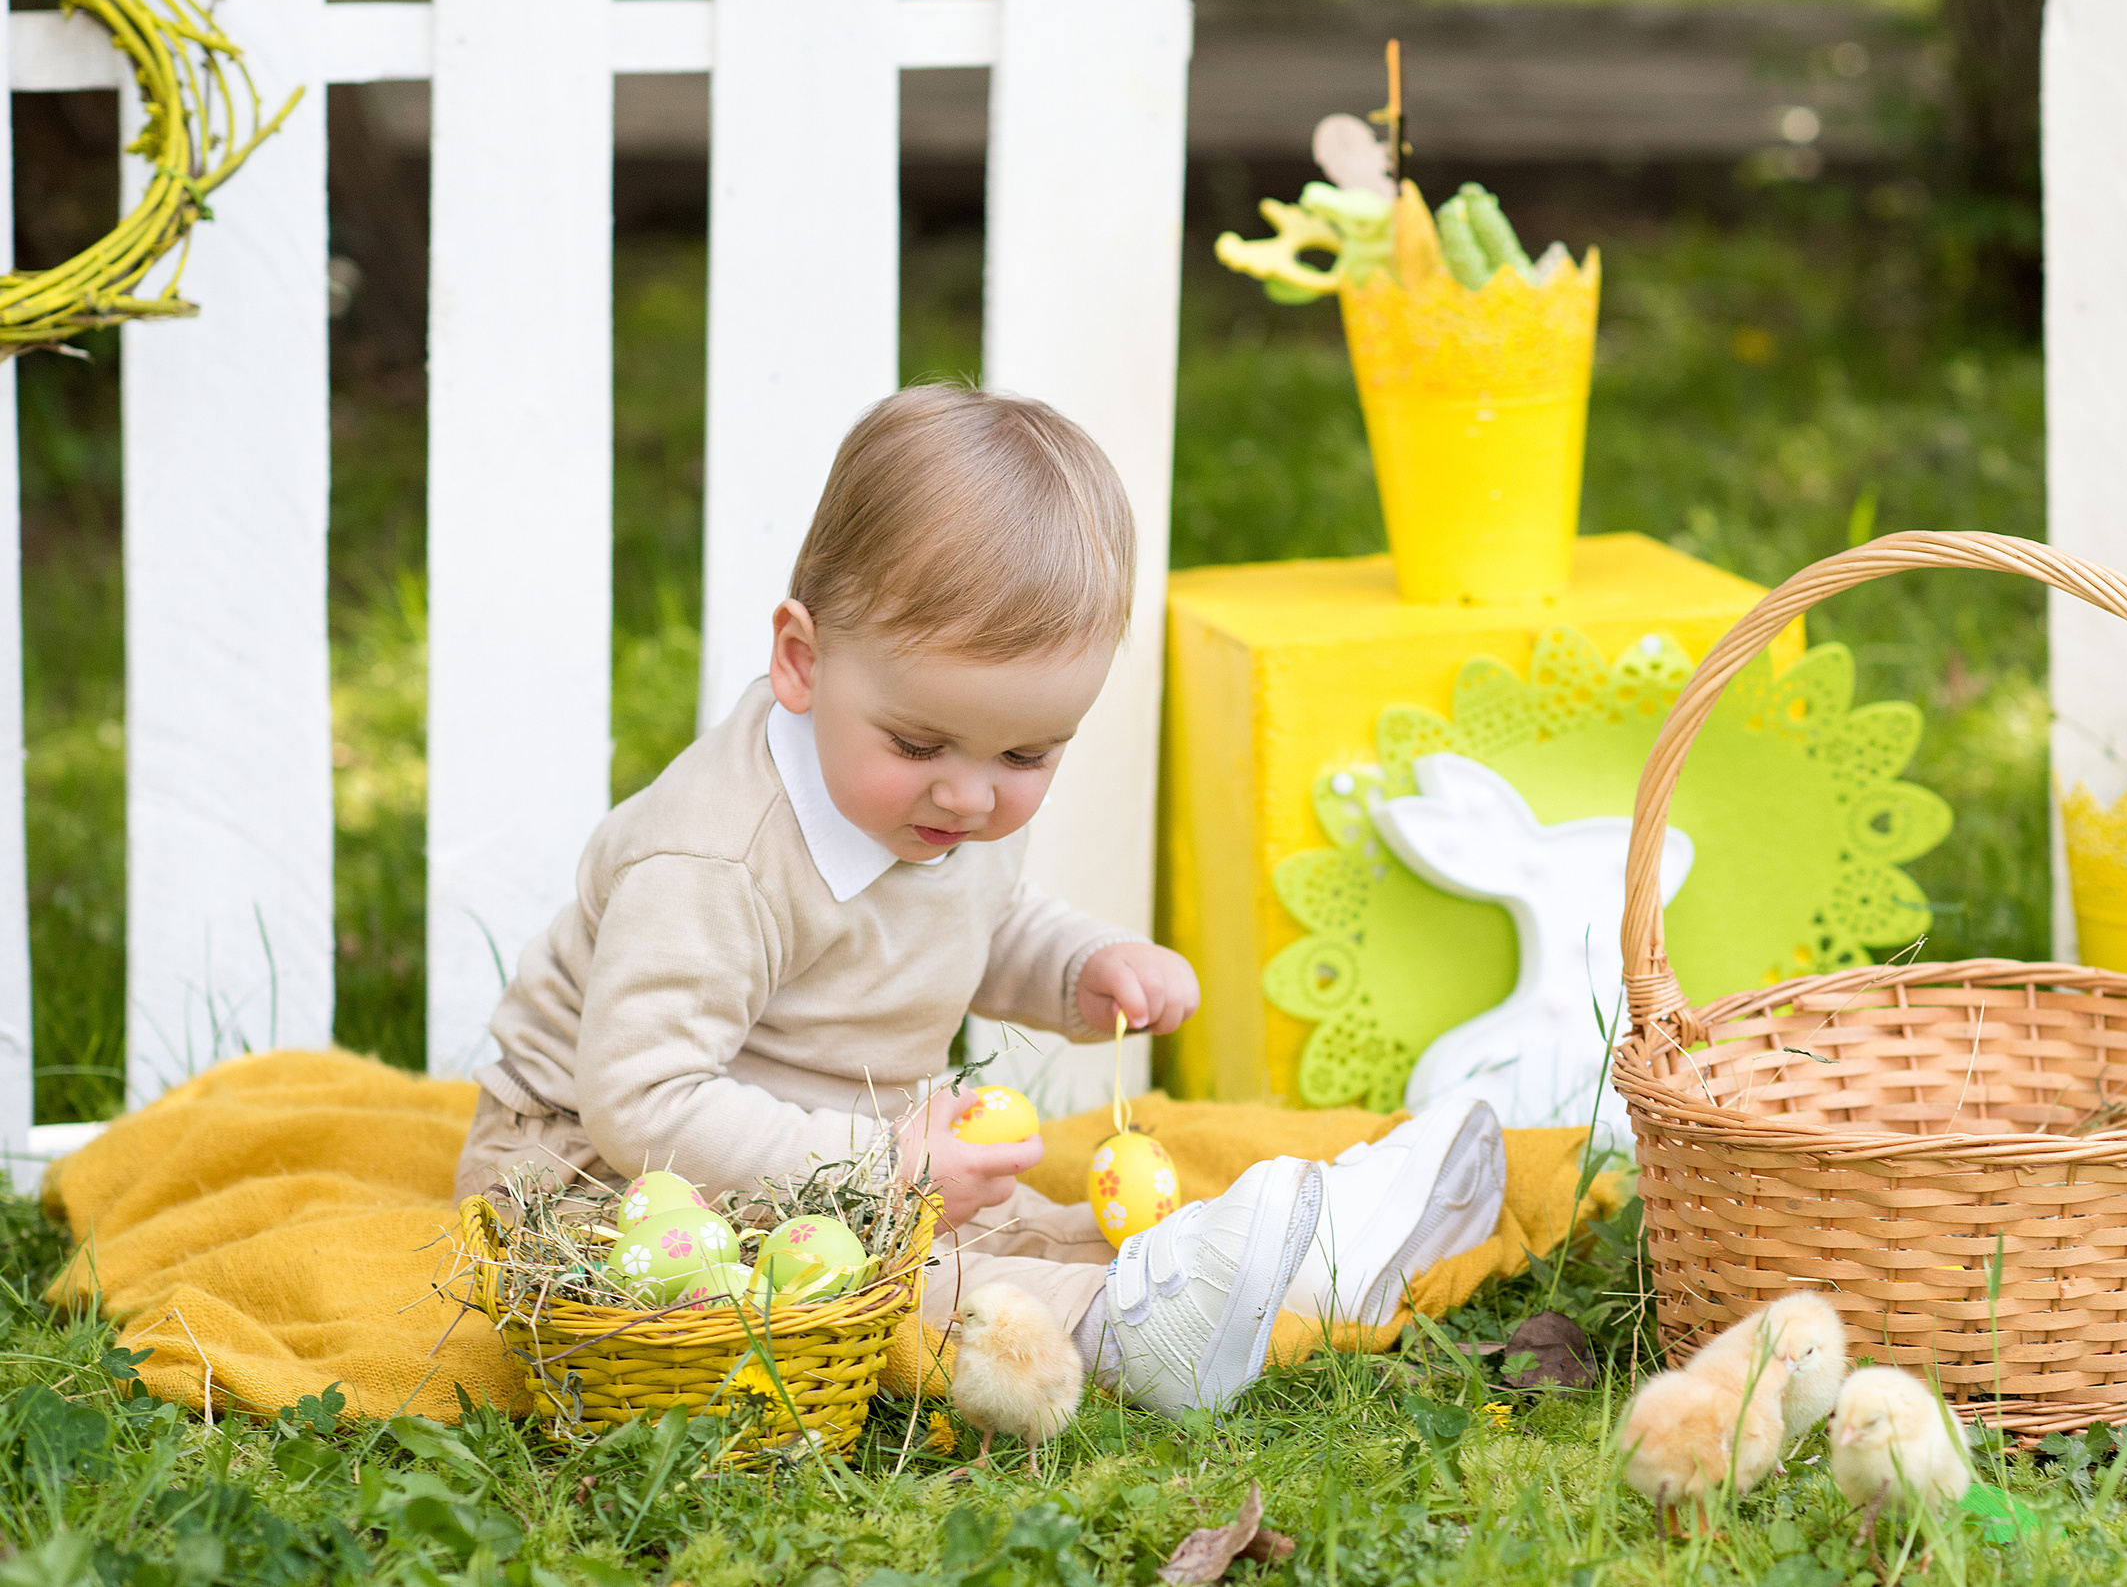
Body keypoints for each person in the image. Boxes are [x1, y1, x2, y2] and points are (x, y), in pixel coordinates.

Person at [450, 384, 1501, 1414]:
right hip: (600, 1168)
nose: (969, 792)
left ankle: (1289, 1262)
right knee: (866, 1276)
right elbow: (645, 1099)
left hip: (838, 1140)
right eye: (918, 744)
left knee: (1004, 1218)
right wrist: (880, 1162)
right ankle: (1123, 1328)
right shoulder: (714, 860)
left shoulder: (943, 796)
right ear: (802, 660)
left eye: (1027, 753)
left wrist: (1081, 964)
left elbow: (982, 918)